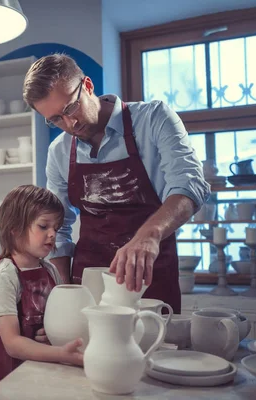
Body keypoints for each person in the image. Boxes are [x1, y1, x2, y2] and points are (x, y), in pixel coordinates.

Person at [22, 54, 210, 314]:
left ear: (87, 86)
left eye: (69, 108)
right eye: (55, 120)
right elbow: (59, 228)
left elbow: (190, 186)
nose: (69, 124)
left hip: (149, 278)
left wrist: (147, 237)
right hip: (88, 286)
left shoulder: (153, 119)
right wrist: (64, 292)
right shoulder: (60, 152)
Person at [0, 185, 85, 400]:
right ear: (15, 229)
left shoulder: (50, 271)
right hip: (3, 379)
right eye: (43, 226)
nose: (52, 234)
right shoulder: (5, 276)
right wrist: (62, 354)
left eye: (55, 228)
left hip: (37, 371)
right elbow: (12, 343)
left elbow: (58, 319)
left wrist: (51, 334)